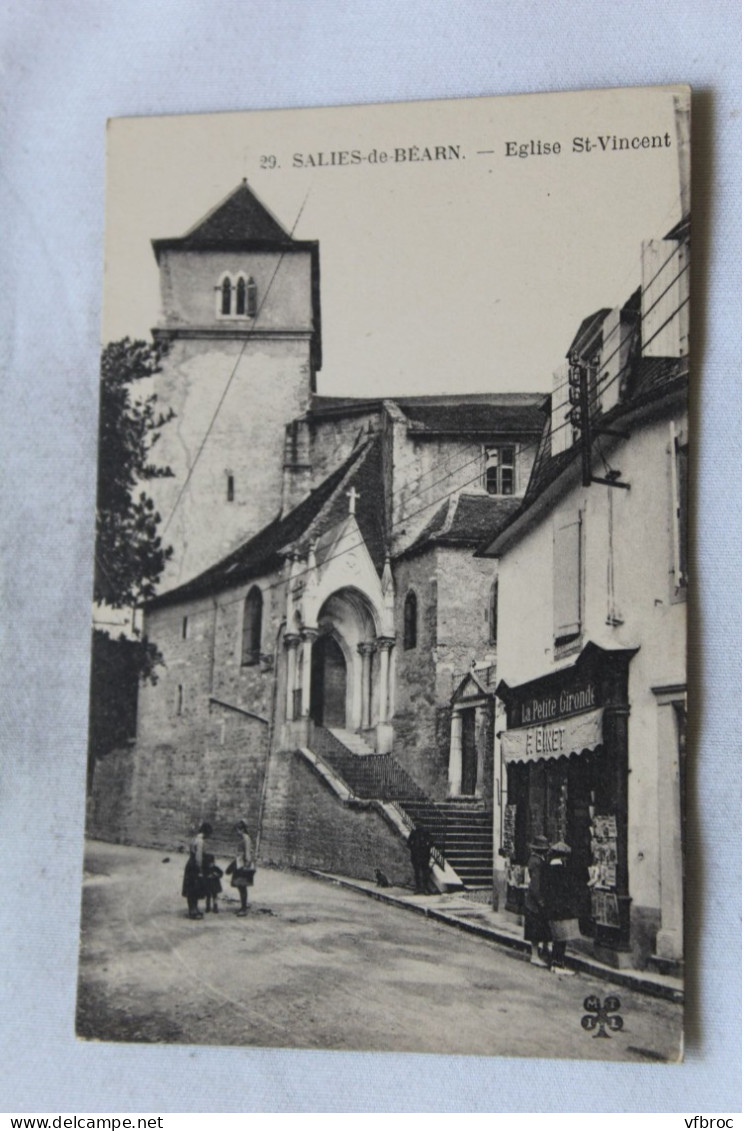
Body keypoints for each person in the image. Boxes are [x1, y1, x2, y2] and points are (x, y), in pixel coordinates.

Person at [546, 840, 578, 976]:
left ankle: (554, 962)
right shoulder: (562, 871)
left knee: (556, 937)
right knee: (561, 938)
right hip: (561, 909)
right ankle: (558, 963)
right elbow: (567, 890)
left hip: (551, 907)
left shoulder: (547, 869)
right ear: (563, 857)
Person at [523, 834, 551, 966]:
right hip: (534, 902)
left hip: (534, 899)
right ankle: (534, 955)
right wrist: (540, 900)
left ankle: (542, 951)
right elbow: (535, 884)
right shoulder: (537, 862)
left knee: (541, 927)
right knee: (535, 929)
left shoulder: (536, 860)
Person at [181, 821, 213, 919]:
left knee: (190, 889)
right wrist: (200, 870)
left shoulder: (194, 839)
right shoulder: (200, 841)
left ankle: (192, 909)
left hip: (190, 864)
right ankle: (193, 911)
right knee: (195, 889)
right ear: (206, 832)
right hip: (195, 866)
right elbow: (198, 857)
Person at [228, 819, 255, 916]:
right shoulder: (244, 837)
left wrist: (246, 865)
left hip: (243, 865)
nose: (236, 833)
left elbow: (247, 853)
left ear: (242, 829)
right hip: (241, 863)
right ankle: (243, 906)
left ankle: (244, 908)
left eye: (237, 830)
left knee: (242, 886)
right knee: (240, 886)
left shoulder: (245, 838)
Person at [407, 825, 433, 894]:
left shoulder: (425, 833)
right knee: (417, 872)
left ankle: (425, 888)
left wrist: (427, 848)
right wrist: (413, 849)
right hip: (416, 856)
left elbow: (431, 842)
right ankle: (419, 888)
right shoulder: (414, 833)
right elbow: (408, 843)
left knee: (424, 872)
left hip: (424, 856)